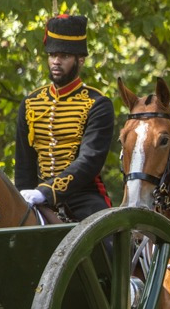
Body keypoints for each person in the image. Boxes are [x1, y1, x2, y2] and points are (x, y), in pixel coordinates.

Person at [14, 14, 114, 220]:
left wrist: (47, 192)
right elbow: (24, 166)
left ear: (80, 60)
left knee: (111, 244)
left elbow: (89, 161)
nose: (56, 62)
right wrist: (22, 196)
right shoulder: (30, 103)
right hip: (33, 197)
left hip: (83, 196)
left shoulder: (98, 104)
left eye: (64, 56)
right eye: (52, 55)